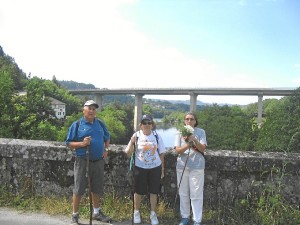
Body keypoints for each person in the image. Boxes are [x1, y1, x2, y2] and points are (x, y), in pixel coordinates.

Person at [66, 100, 111, 225]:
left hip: (98, 161)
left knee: (96, 187)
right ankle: (75, 215)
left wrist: (106, 149)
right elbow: (69, 143)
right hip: (82, 161)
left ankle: (96, 212)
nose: (91, 111)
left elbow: (107, 137)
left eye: (93, 109)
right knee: (79, 187)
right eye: (89, 108)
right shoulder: (77, 124)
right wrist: (82, 144)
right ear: (83, 110)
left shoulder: (100, 124)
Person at [124, 114, 166, 225]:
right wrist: (132, 142)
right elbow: (128, 153)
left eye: (149, 123)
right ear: (141, 125)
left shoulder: (157, 136)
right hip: (140, 167)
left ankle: (153, 213)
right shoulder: (136, 136)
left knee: (154, 191)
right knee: (138, 191)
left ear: (152, 125)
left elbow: (161, 154)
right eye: (144, 123)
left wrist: (162, 169)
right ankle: (136, 212)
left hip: (155, 167)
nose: (147, 125)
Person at [174, 112, 207, 225]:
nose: (189, 121)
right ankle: (185, 217)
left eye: (191, 119)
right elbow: (177, 150)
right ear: (184, 121)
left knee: (196, 194)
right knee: (183, 192)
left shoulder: (201, 132)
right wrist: (188, 144)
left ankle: (197, 219)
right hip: (182, 165)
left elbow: (202, 149)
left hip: (197, 166)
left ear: (195, 121)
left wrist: (194, 140)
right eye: (187, 119)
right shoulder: (179, 132)